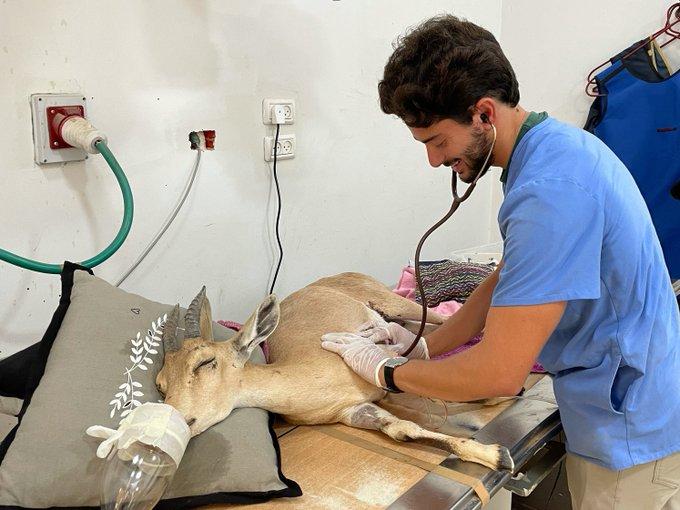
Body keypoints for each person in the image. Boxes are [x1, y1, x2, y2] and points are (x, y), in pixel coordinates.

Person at [320, 15, 680, 510]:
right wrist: (428, 344)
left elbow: (498, 375)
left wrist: (386, 372)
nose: (432, 161)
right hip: (636, 397)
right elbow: (512, 273)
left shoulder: (548, 191)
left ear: (483, 113)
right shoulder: (548, 151)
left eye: (437, 142)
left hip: (629, 428)